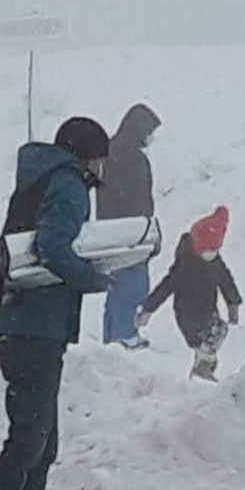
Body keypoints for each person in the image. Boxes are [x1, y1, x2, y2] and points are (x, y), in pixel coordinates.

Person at [0, 116, 112, 490]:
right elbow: (54, 246)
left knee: (40, 443)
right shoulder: (70, 185)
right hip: (37, 327)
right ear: (86, 155)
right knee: (30, 441)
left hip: (16, 323)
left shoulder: (35, 181)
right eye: (99, 158)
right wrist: (92, 278)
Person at [135, 207, 242, 381]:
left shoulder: (214, 260)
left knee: (217, 333)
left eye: (215, 251)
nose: (211, 255)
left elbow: (225, 280)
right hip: (187, 313)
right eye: (208, 251)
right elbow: (167, 285)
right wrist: (149, 308)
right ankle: (202, 370)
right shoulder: (185, 266)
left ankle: (204, 369)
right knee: (205, 341)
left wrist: (233, 302)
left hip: (208, 309)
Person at [97, 104, 161, 349]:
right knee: (133, 283)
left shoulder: (109, 153)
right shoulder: (133, 159)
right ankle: (125, 332)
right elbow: (139, 195)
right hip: (132, 229)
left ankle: (113, 332)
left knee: (117, 283)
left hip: (110, 228)